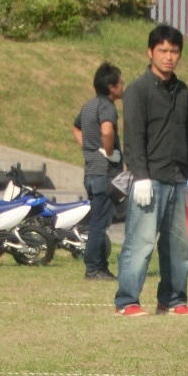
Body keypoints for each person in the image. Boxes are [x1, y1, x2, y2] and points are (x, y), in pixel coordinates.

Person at [113, 23, 188, 317]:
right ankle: (127, 300)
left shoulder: (182, 91)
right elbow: (133, 138)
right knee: (140, 243)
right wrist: (140, 175)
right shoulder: (137, 91)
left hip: (179, 178)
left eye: (174, 51)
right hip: (149, 179)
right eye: (163, 50)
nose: (169, 56)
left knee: (179, 248)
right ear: (150, 52)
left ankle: (172, 299)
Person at [72, 61, 124, 280]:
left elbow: (76, 127)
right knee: (99, 223)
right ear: (111, 87)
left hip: (91, 171)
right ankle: (94, 268)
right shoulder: (107, 107)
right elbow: (107, 129)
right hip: (104, 172)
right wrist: (109, 150)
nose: (123, 86)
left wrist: (88, 147)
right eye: (120, 82)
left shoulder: (88, 106)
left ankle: (99, 266)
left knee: (97, 220)